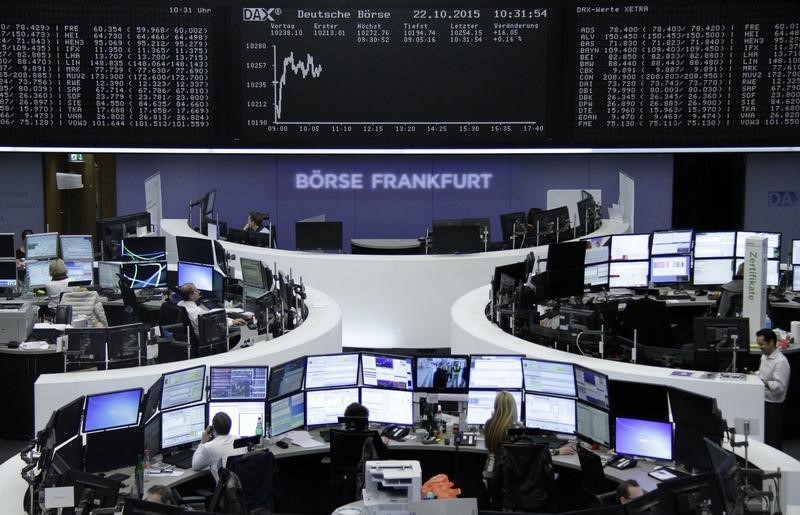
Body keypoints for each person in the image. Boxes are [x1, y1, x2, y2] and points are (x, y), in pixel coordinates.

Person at [483, 391, 574, 482]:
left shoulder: (488, 425)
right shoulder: (517, 430)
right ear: (513, 408)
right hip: (510, 482)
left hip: (491, 478)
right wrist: (557, 451)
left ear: (496, 407)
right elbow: (534, 452)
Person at [756, 328, 791, 450]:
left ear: (771, 342)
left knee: (772, 441)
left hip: (774, 406)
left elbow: (780, 387)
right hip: (763, 401)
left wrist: (763, 382)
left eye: (762, 344)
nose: (760, 347)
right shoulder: (765, 356)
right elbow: (763, 374)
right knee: (764, 438)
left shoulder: (781, 362)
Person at [177, 283, 246, 336]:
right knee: (236, 332)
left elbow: (209, 315)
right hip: (203, 336)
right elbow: (215, 324)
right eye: (196, 290)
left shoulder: (180, 304)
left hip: (192, 334)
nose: (199, 292)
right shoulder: (197, 312)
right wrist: (232, 322)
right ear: (191, 295)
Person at [192, 412, 244, 480]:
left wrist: (202, 442)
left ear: (213, 428)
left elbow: (195, 466)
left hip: (224, 489)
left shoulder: (209, 447)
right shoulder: (239, 439)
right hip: (238, 486)